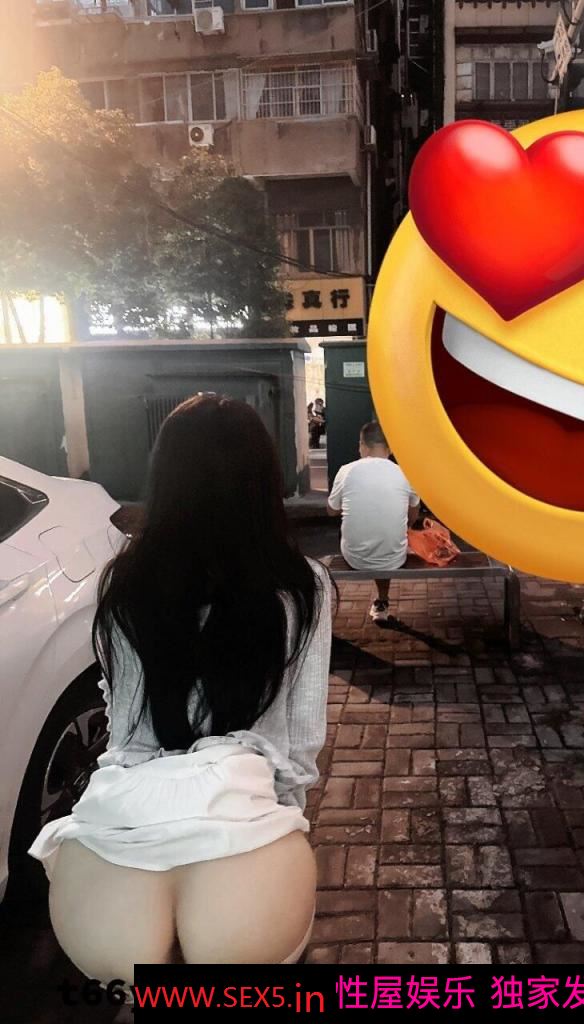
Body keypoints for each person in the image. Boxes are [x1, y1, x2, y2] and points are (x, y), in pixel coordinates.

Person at [28, 395, 333, 981]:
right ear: (263, 485)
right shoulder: (303, 588)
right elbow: (297, 755)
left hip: (111, 861)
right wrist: (281, 838)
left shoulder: (123, 584)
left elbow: (124, 735)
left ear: (164, 480)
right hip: (246, 854)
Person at [327, 421, 420, 623]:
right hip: (394, 557)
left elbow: (331, 511)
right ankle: (382, 602)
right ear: (390, 448)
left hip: (355, 557)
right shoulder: (405, 472)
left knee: (350, 525)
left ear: (363, 445)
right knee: (387, 534)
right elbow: (414, 512)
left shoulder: (346, 470)